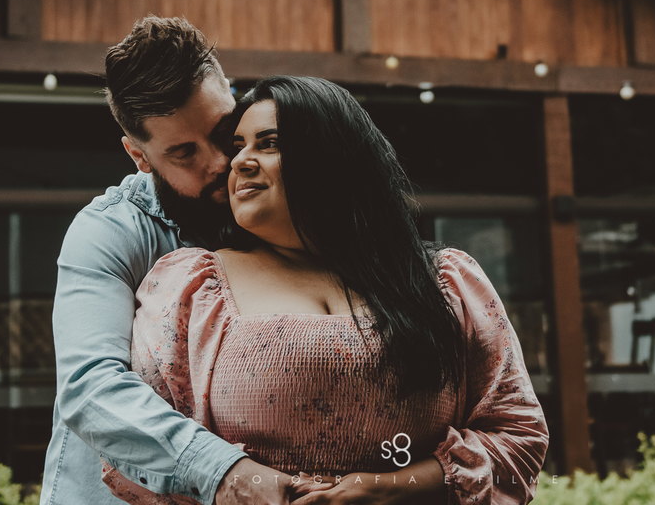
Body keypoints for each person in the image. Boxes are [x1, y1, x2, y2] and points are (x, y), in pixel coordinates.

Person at [102, 76, 549, 505]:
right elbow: (137, 450)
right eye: (238, 147)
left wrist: (393, 488)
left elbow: (518, 436)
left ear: (333, 156)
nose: (238, 162)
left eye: (269, 143)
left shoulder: (444, 283)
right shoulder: (190, 288)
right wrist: (243, 482)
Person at [42, 17, 323, 505]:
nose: (220, 162)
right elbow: (90, 389)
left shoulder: (283, 218)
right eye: (184, 153)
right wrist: (227, 472)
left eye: (223, 131)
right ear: (139, 156)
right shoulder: (108, 233)